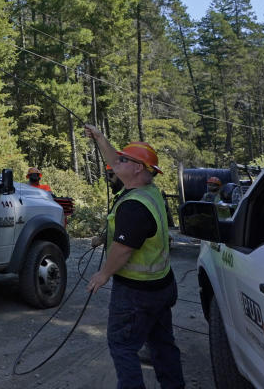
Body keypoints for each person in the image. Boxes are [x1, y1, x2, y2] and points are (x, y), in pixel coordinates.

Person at [83, 124, 185, 389]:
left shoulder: (134, 205)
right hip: (162, 286)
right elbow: (113, 160)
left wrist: (103, 274)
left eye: (125, 159)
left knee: (122, 346)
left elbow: (125, 248)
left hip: (137, 294)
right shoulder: (149, 192)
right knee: (162, 344)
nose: (117, 162)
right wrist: (100, 137)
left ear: (138, 168)